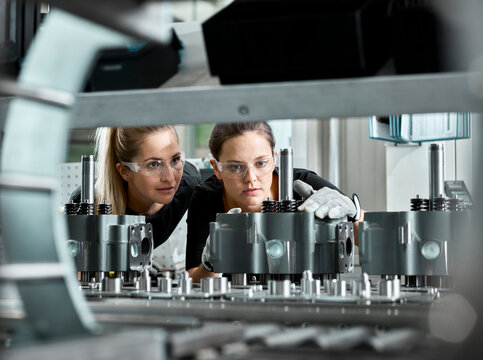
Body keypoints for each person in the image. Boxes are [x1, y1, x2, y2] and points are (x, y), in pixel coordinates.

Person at [186, 121, 363, 283]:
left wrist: (353, 213)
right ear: (217, 168)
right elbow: (194, 277)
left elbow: (369, 234)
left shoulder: (303, 185)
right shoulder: (206, 198)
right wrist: (211, 264)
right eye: (235, 167)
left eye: (261, 163)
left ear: (275, 159)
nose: (250, 178)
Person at [71, 126, 200, 248]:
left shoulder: (188, 184)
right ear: (124, 171)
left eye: (175, 159)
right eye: (153, 164)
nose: (170, 178)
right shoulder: (86, 203)